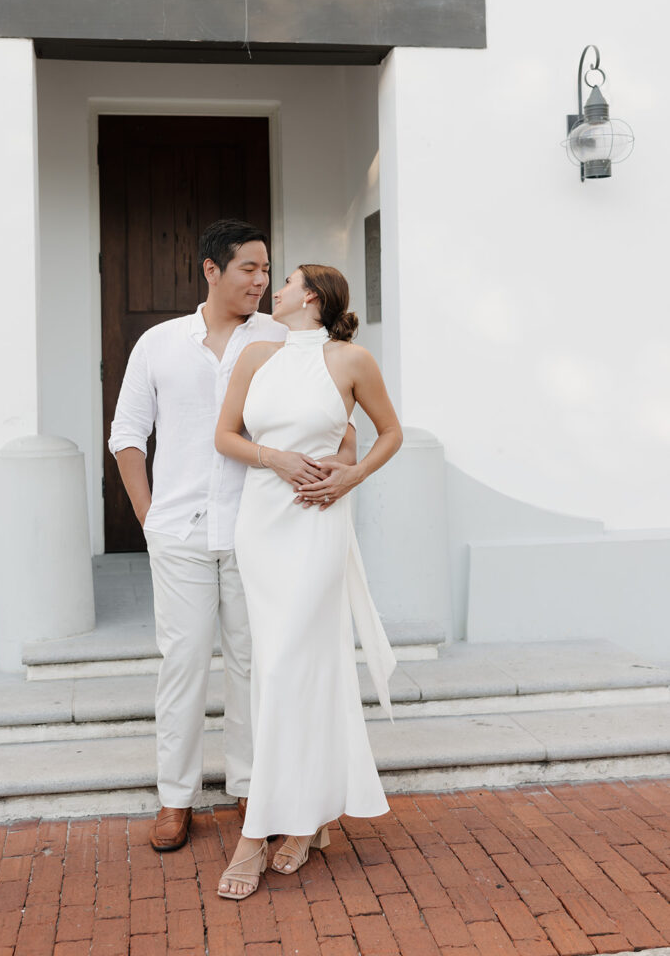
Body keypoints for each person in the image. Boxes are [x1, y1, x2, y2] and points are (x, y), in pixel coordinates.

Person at [108, 222, 356, 852]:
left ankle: (252, 786)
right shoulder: (159, 344)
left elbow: (337, 424)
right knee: (183, 664)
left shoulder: (283, 339)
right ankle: (175, 799)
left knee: (255, 663)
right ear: (211, 270)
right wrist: (149, 518)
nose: (262, 281)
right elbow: (128, 436)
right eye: (249, 268)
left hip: (263, 532)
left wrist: (340, 470)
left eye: (269, 270)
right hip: (180, 532)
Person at [213, 263, 403, 898]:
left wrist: (351, 475)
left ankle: (256, 834)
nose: (276, 288)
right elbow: (226, 436)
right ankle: (310, 816)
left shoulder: (352, 360)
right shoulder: (255, 355)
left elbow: (388, 433)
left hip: (318, 524)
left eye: (286, 279)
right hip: (262, 525)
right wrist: (277, 458)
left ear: (312, 298)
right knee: (278, 672)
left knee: (295, 664)